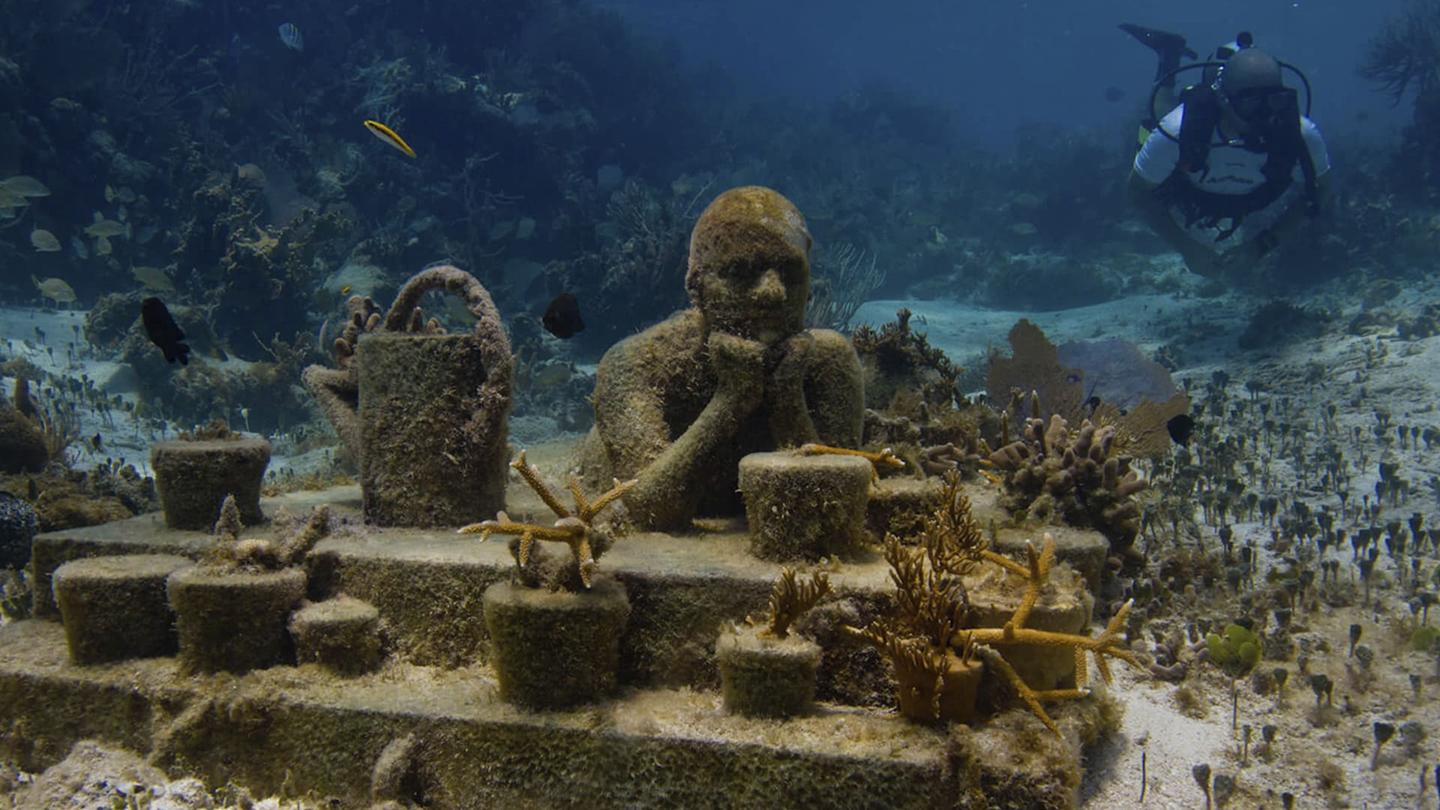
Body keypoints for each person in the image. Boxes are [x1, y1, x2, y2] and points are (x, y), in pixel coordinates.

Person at [584, 186, 864, 531]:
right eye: (742, 272)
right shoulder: (636, 364)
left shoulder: (830, 362)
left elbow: (838, 511)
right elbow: (649, 511)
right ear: (696, 286)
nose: (773, 293)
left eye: (791, 273)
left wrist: (787, 396)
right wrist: (731, 401)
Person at [1121, 26, 1332, 279]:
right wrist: (1187, 248)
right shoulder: (1177, 131)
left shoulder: (1300, 134)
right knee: (1157, 115)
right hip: (1190, 188)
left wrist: (1262, 245)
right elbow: (1138, 192)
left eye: (1274, 101)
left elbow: (1320, 189)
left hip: (1253, 195)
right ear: (1222, 99)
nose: (1264, 116)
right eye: (1250, 103)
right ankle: (1169, 57)